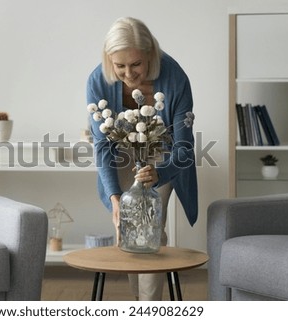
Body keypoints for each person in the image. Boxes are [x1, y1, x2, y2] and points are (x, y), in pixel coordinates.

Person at [86, 17, 198, 301]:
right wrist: (113, 197)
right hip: (119, 149)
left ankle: (149, 307)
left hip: (163, 153)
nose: (128, 74)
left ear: (151, 55)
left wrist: (159, 173)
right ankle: (138, 303)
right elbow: (101, 144)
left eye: (135, 64)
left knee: (150, 228)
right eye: (119, 65)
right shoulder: (98, 80)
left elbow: (184, 145)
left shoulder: (175, 78)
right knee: (125, 225)